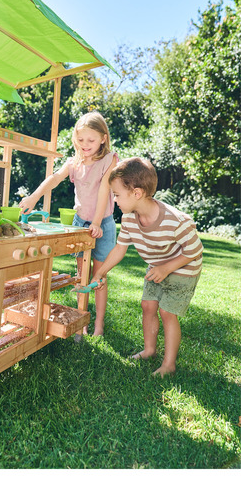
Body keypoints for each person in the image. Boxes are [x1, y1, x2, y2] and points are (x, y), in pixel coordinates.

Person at [90, 157, 202, 377]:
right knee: (147, 305)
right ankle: (150, 350)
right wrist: (100, 273)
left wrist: (167, 268)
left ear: (137, 193)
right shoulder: (129, 218)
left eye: (117, 195)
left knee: (167, 312)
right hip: (157, 266)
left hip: (183, 268)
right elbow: (120, 248)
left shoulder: (176, 220)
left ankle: (169, 364)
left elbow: (194, 251)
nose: (115, 200)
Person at [18, 111, 118, 336]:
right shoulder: (75, 162)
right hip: (81, 222)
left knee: (99, 275)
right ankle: (81, 323)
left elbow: (104, 190)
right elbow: (54, 178)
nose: (85, 145)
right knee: (83, 273)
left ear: (103, 138)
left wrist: (97, 223)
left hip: (104, 222)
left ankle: (99, 326)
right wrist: (33, 197)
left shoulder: (109, 159)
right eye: (80, 140)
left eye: (91, 140)